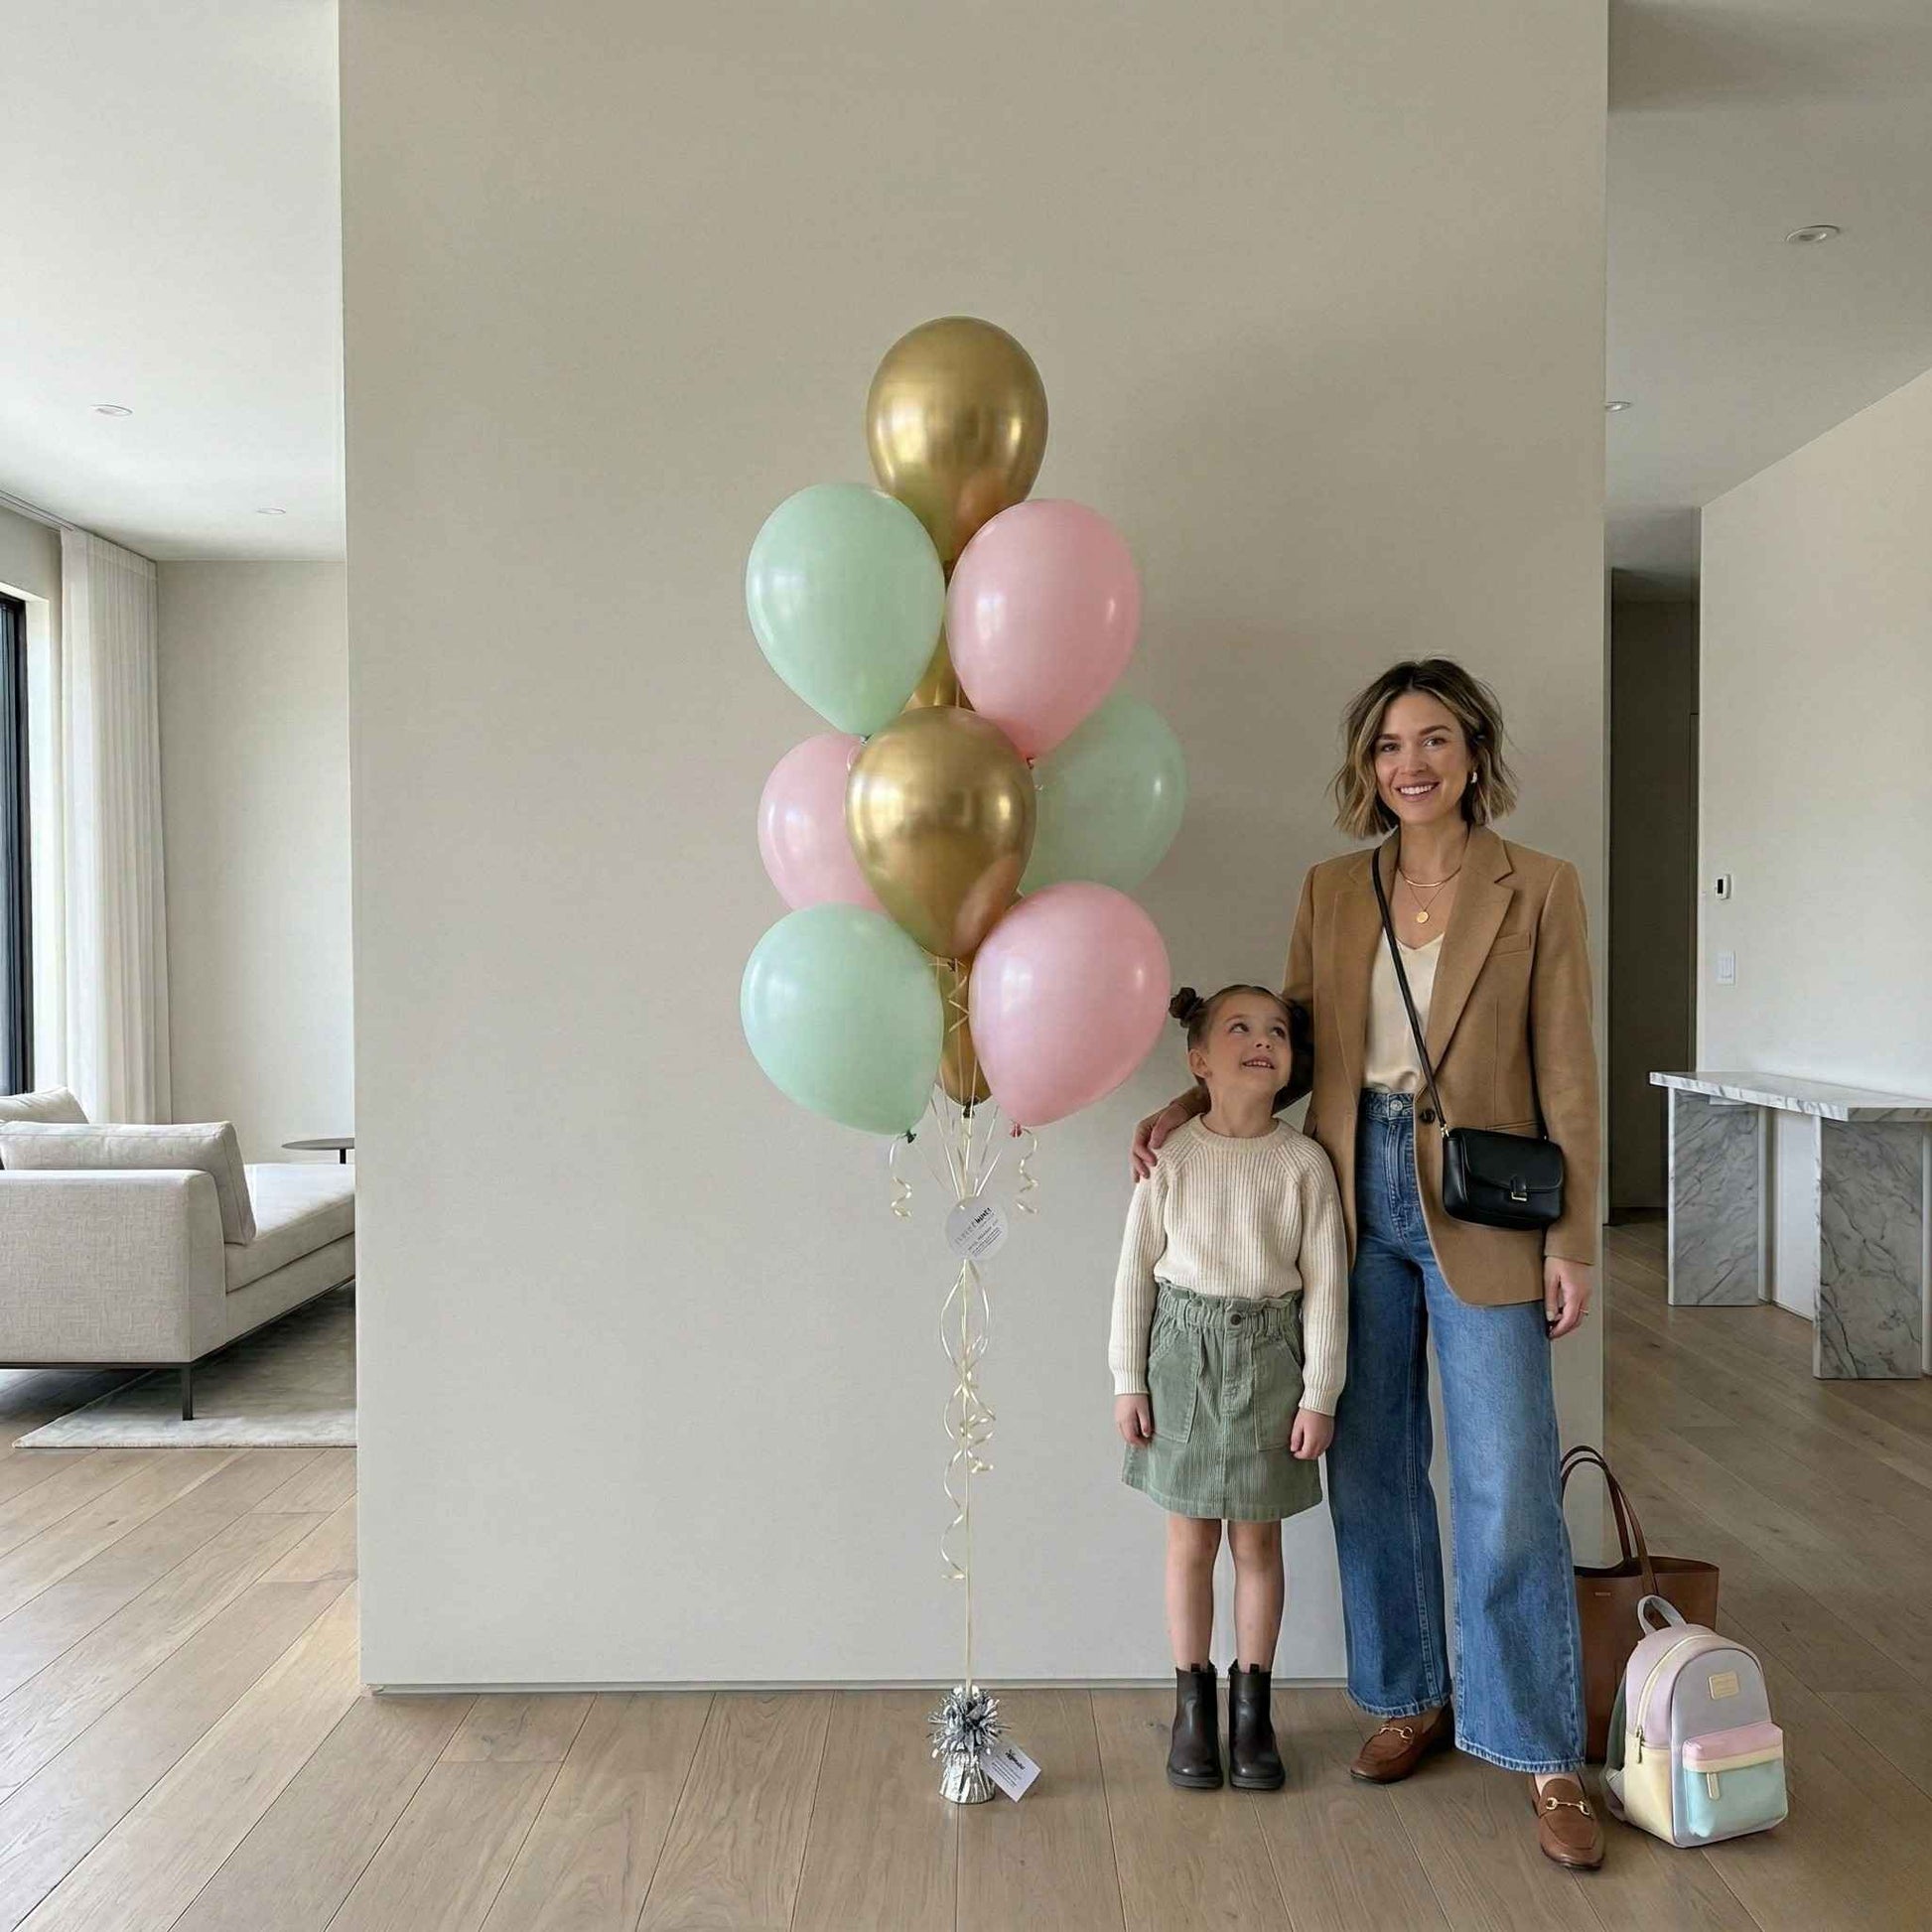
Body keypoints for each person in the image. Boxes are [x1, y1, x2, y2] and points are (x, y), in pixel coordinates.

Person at [1133, 658, 1604, 1870]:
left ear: (1471, 751)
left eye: (1433, 738)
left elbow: (1568, 1071)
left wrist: (1573, 1238)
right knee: (1373, 1463)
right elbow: (1285, 1040)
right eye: (1390, 743)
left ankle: (1541, 1739)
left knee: (1502, 1474)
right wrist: (1194, 1097)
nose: (1411, 762)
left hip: (1484, 1197)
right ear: (1367, 765)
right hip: (1345, 1192)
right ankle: (1407, 1693)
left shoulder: (1539, 887)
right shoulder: (1332, 889)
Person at [1111, 983, 1348, 1793]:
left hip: (1271, 1362)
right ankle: (1192, 1709)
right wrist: (1127, 1379)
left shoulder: (1303, 1164)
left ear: (1291, 1060)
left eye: (1277, 1031)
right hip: (1181, 1358)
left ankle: (1253, 1713)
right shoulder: (1169, 1158)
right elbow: (1134, 1279)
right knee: (1190, 1543)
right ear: (1199, 1060)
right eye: (1239, 1028)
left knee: (1257, 1543)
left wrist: (1321, 1392)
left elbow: (1326, 1286)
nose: (1261, 1041)